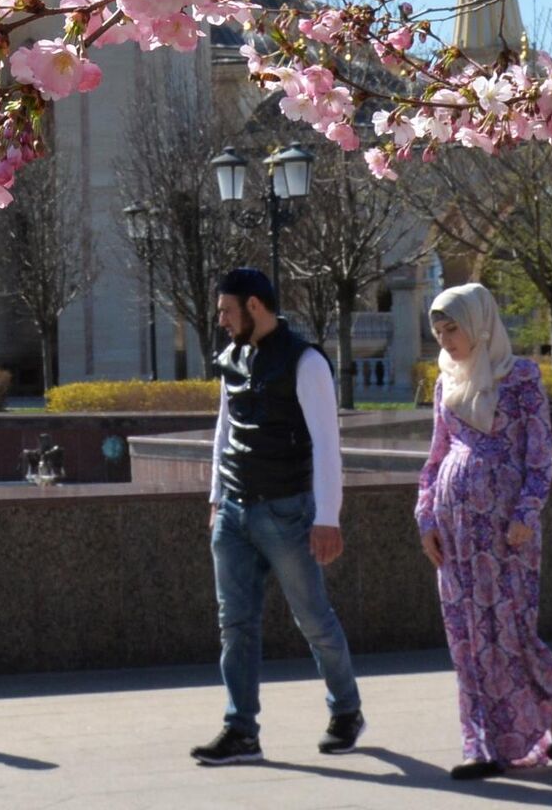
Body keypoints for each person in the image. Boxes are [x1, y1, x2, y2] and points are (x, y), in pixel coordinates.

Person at [191, 267, 365, 766]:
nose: (221, 320)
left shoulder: (305, 361)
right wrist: (214, 496)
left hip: (287, 510)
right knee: (235, 623)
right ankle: (240, 729)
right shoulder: (232, 357)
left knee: (313, 618)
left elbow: (328, 443)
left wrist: (327, 516)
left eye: (227, 310)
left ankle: (346, 710)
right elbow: (225, 427)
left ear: (254, 307)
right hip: (233, 510)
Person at [418, 283, 552, 781]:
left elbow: (539, 454)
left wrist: (527, 514)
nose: (446, 341)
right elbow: (437, 454)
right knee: (466, 636)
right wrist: (425, 517)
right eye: (439, 332)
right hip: (455, 530)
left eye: (453, 329)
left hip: (507, 530)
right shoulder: (447, 382)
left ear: (480, 325)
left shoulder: (521, 378)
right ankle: (481, 745)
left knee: (511, 630)